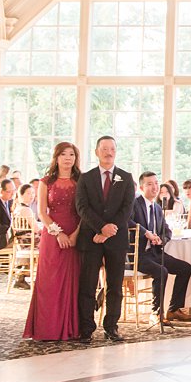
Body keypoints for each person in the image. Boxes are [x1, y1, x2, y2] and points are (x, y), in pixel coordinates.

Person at [73, 136, 135, 342]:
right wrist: (100, 228)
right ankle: (86, 328)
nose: (109, 152)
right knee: (88, 284)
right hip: (91, 238)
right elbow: (82, 207)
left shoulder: (126, 178)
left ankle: (111, 327)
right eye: (104, 149)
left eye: (112, 149)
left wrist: (109, 231)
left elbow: (127, 209)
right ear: (97, 152)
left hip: (116, 239)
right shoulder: (86, 177)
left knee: (115, 286)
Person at [24, 143, 83, 342]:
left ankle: (70, 328)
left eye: (72, 154)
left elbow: (85, 211)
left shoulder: (81, 180)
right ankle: (46, 328)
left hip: (76, 234)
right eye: (64, 154)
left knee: (72, 282)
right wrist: (58, 233)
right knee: (49, 282)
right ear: (56, 157)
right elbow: (41, 212)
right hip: (52, 235)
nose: (68, 158)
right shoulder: (46, 181)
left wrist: (75, 235)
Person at [132, 172, 191, 320]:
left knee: (185, 268)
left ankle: (174, 309)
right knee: (161, 271)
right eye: (149, 184)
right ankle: (156, 312)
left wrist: (161, 239)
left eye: (156, 183)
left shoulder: (157, 208)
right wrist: (146, 233)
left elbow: (167, 230)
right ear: (141, 187)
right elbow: (126, 222)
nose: (154, 187)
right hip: (137, 254)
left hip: (155, 252)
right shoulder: (134, 204)